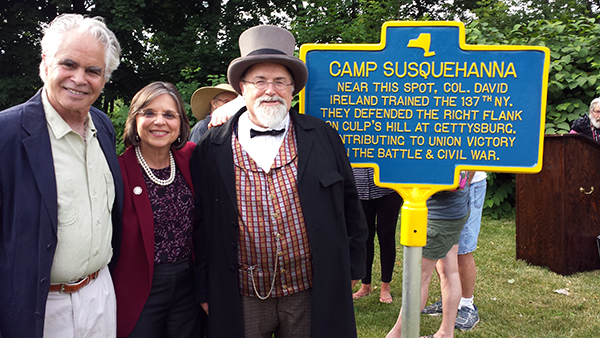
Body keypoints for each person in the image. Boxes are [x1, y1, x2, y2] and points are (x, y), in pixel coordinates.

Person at [190, 25, 368, 338]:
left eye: (279, 81)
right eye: (259, 81)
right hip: (242, 292)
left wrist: (353, 267)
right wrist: (205, 286)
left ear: (292, 90)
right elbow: (201, 223)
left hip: (310, 290)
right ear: (242, 90)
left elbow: (350, 203)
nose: (270, 90)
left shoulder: (323, 136)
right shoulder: (211, 147)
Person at [0, 14, 123, 338]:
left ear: (104, 77)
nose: (79, 79)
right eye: (69, 64)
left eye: (93, 70)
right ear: (45, 63)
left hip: (100, 294)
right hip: (39, 306)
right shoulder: (6, 134)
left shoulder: (104, 127)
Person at [111, 82, 203, 338]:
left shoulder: (191, 157)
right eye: (149, 113)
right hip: (138, 287)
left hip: (187, 286)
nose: (159, 121)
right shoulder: (117, 171)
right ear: (135, 120)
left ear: (181, 123)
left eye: (169, 114)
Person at [387, 171, 473, 338]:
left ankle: (397, 335)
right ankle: (445, 334)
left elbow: (451, 181)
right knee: (449, 270)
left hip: (439, 216)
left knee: (418, 279)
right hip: (454, 210)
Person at [421, 172, 487, 331]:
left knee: (463, 250)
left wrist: (462, 185)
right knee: (446, 257)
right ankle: (450, 303)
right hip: (449, 187)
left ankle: (467, 305)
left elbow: (473, 157)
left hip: (467, 186)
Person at [351, 167, 402, 303]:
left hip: (388, 187)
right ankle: (365, 285)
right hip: (359, 187)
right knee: (364, 237)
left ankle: (385, 286)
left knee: (386, 236)